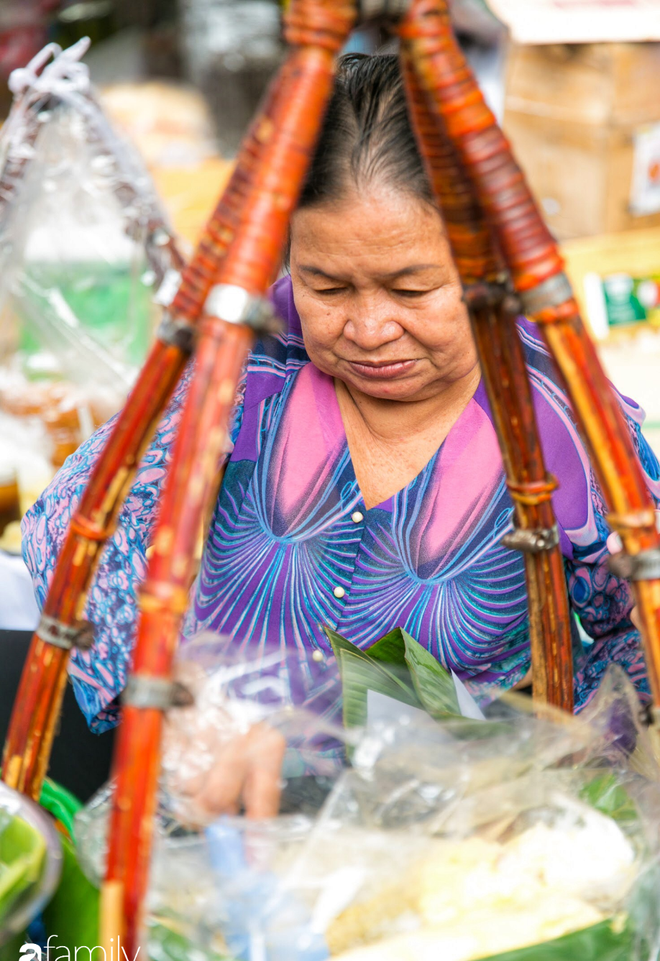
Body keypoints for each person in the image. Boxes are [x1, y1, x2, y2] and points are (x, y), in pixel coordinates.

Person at [22, 54, 660, 815]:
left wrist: (536, 782)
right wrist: (187, 704)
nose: (367, 328)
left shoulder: (563, 428)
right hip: (203, 828)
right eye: (326, 285)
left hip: (440, 862)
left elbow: (635, 656)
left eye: (411, 288)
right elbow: (71, 530)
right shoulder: (248, 359)